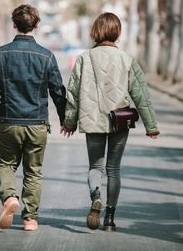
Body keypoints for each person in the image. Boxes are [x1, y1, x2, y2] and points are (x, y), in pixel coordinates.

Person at [61, 12, 160, 231]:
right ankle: (109, 220)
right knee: (114, 169)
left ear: (95, 32)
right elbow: (141, 95)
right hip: (119, 121)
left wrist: (69, 122)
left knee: (96, 166)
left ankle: (96, 195)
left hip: (92, 119)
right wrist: (151, 125)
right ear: (117, 32)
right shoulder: (127, 60)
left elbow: (73, 93)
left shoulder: (84, 58)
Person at [0, 4, 66, 231]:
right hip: (37, 123)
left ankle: (10, 198)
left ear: (14, 24)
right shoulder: (47, 56)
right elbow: (58, 91)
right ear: (37, 25)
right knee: (33, 172)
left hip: (8, 121)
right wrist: (64, 118)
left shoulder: (0, 53)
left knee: (4, 164)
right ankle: (30, 218)